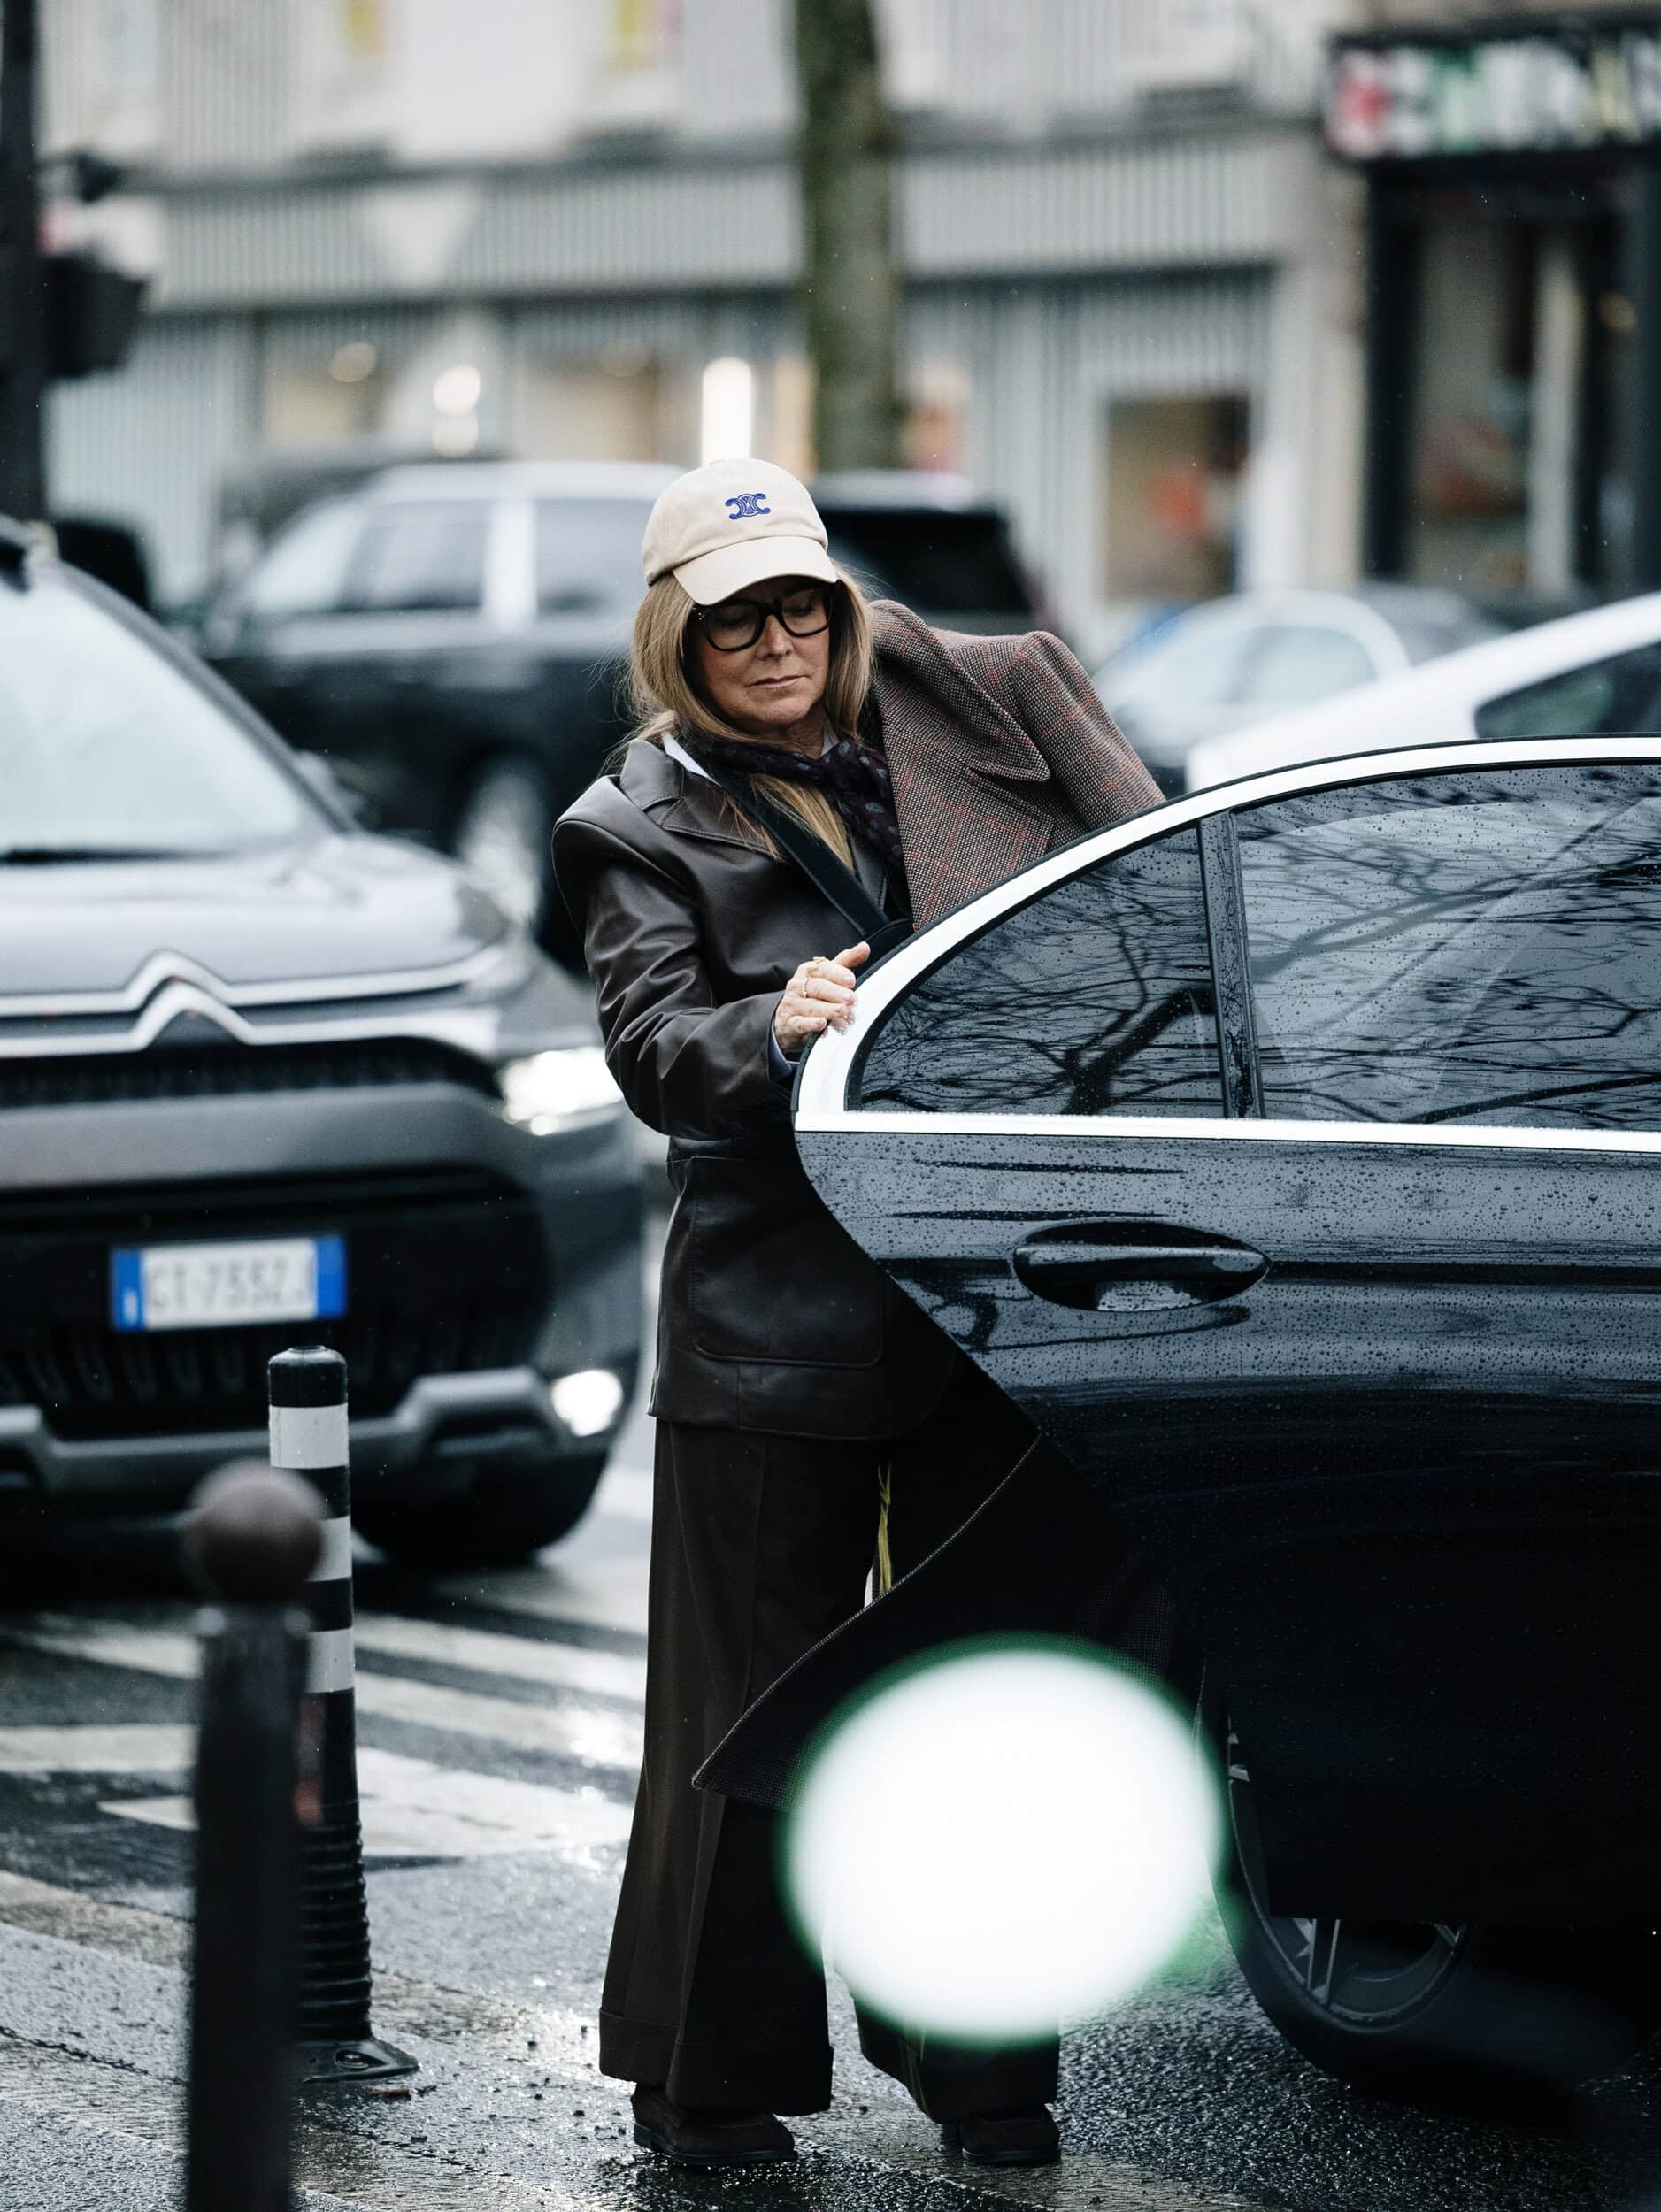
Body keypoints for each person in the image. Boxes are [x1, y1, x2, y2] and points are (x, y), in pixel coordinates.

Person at [553, 458, 1157, 2173]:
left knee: (975, 1697)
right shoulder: (634, 823)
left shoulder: (954, 720)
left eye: (801, 605)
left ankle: (982, 2060)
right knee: (743, 1719)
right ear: (679, 631)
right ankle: (709, 2077)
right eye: (736, 615)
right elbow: (659, 1049)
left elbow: (1143, 895)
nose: (776, 641)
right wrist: (779, 1023)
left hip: (978, 1293)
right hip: (774, 1329)